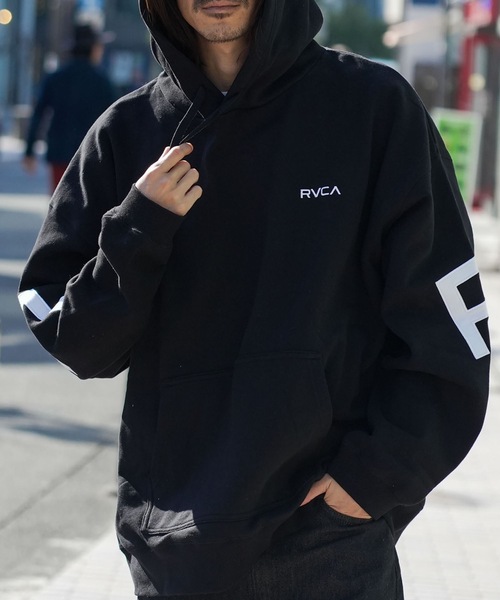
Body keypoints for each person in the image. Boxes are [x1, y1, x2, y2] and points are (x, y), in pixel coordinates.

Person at [18, 1, 490, 598]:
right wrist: (139, 229)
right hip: (178, 550)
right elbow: (77, 340)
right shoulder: (127, 132)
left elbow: (450, 323)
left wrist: (375, 478)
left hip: (333, 545)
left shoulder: (371, 109)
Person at [23, 23, 116, 192]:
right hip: (93, 154)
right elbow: (115, 120)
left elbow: (38, 114)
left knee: (60, 200)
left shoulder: (55, 78)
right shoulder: (102, 82)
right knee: (88, 202)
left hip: (60, 152)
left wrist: (29, 151)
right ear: (93, 49)